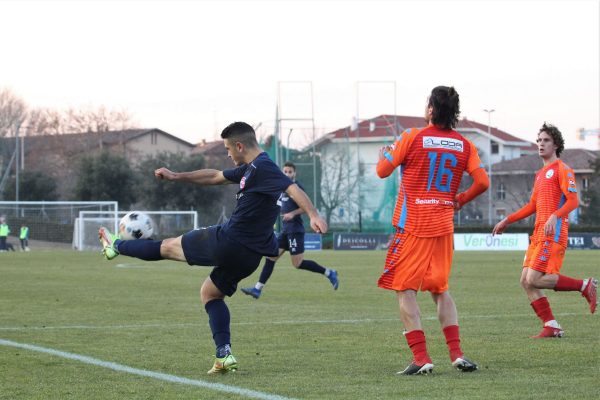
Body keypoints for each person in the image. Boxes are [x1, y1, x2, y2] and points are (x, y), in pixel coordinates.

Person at [98, 122, 327, 375]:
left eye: (229, 148)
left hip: (229, 240)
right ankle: (223, 354)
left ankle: (116, 245)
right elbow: (215, 176)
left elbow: (291, 188)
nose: (228, 154)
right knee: (210, 294)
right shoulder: (250, 170)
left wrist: (313, 215)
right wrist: (176, 176)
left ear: (240, 146)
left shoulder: (264, 167)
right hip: (250, 256)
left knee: (166, 247)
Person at [376, 86, 489, 375]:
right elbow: (483, 182)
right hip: (443, 226)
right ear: (454, 112)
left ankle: (421, 357)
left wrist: (384, 154)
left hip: (413, 225)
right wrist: (460, 199)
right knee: (440, 290)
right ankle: (457, 353)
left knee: (404, 289)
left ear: (430, 109)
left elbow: (382, 171)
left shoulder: (412, 136)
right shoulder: (464, 145)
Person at [492, 123, 597, 338]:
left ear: (556, 144)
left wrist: (554, 215)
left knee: (534, 279)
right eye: (539, 140)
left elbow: (573, 201)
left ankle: (585, 285)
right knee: (525, 280)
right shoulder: (540, 174)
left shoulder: (563, 169)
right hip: (538, 234)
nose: (541, 144)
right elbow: (532, 205)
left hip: (554, 233)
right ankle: (551, 325)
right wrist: (507, 220)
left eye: (546, 140)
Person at [240, 161, 338, 299]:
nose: (287, 174)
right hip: (286, 231)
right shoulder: (281, 187)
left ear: (294, 173)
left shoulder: (296, 188)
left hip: (295, 230)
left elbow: (306, 207)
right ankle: (257, 289)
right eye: (285, 171)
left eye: (290, 172)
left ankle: (329, 273)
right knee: (270, 257)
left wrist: (292, 214)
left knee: (297, 263)